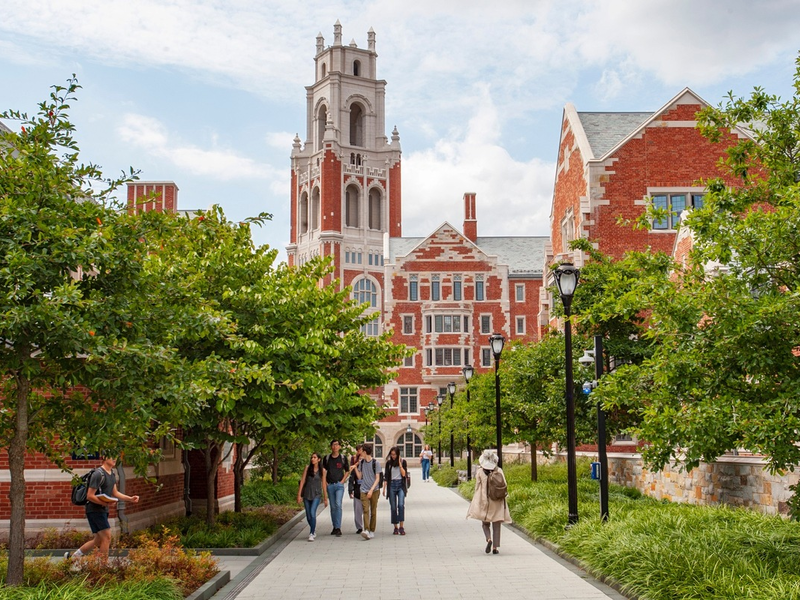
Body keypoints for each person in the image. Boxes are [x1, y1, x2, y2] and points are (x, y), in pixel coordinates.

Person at [66, 455, 139, 560]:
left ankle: (73, 557)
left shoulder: (112, 473)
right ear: (104, 457)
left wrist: (130, 498)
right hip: (94, 510)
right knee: (107, 537)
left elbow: (115, 492)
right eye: (112, 456)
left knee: (98, 540)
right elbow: (90, 496)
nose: (115, 459)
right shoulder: (98, 474)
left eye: (116, 457)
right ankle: (102, 566)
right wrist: (104, 503)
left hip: (103, 510)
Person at [466, 449, 511, 555]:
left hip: (484, 500)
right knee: (497, 523)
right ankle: (495, 547)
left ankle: (488, 539)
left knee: (485, 523)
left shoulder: (480, 472)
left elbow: (477, 485)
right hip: (497, 500)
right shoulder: (499, 470)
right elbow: (504, 484)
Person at [297, 452, 328, 541]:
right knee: (308, 515)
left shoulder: (323, 470)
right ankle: (313, 528)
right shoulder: (307, 468)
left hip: (316, 494)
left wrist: (325, 498)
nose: (312, 459)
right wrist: (299, 495)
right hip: (307, 494)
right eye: (312, 457)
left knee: (312, 512)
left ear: (319, 459)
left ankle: (312, 532)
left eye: (314, 457)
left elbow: (324, 485)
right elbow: (302, 482)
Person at [322, 440, 349, 536]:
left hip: (339, 485)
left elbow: (347, 470)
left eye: (337, 445)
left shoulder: (343, 458)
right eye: (333, 445)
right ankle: (335, 526)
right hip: (330, 485)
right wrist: (325, 482)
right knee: (333, 507)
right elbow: (323, 471)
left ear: (340, 447)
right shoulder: (327, 458)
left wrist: (343, 481)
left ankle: (338, 527)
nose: (335, 446)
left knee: (338, 504)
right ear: (331, 447)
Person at [355, 443, 381, 540]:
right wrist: (354, 469)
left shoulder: (376, 463)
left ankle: (372, 530)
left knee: (373, 511)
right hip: (363, 489)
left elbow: (377, 478)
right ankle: (366, 529)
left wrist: (371, 490)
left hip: (374, 490)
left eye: (361, 451)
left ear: (365, 452)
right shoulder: (361, 463)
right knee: (365, 510)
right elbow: (359, 476)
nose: (360, 453)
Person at [383, 446, 408, 535]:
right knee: (393, 507)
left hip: (400, 485)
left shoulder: (403, 462)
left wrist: (400, 465)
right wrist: (384, 488)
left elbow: (404, 474)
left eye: (394, 455)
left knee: (401, 505)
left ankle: (401, 526)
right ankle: (395, 527)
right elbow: (386, 476)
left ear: (398, 454)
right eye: (391, 454)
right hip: (392, 485)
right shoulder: (388, 463)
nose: (393, 456)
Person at [348, 444, 364, 534]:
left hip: (366, 486)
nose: (359, 452)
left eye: (360, 450)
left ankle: (367, 525)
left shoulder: (368, 459)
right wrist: (350, 490)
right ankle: (359, 527)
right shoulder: (354, 459)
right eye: (358, 450)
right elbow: (352, 475)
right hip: (357, 485)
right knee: (357, 509)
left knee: (366, 508)